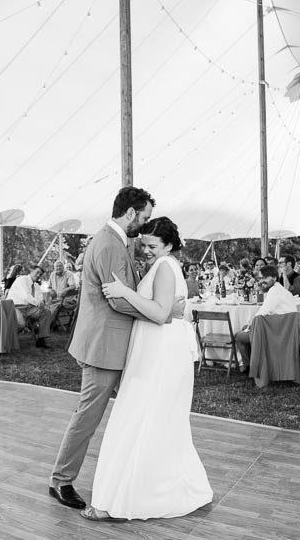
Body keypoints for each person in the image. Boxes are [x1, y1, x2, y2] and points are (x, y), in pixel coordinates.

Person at [50, 186, 180, 513]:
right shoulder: (109, 244)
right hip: (104, 346)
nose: (145, 225)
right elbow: (118, 298)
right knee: (88, 415)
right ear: (131, 213)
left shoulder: (115, 241)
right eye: (145, 217)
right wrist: (161, 313)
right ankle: (61, 480)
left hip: (116, 345)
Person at [77, 216, 212, 521]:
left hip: (161, 353)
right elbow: (167, 309)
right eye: (144, 244)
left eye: (152, 245)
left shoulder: (166, 266)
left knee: (141, 415)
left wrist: (125, 292)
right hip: (154, 349)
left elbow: (162, 313)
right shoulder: (162, 265)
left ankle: (123, 500)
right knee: (148, 417)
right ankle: (140, 491)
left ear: (168, 245)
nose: (146, 250)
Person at [235, 265, 298, 369]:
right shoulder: (283, 291)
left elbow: (262, 313)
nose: (261, 281)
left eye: (264, 278)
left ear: (274, 278)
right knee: (246, 328)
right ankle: (253, 362)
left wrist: (250, 326)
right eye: (260, 278)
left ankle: (250, 365)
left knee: (238, 335)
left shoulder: (274, 291)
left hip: (274, 333)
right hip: (287, 332)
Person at [7, 264, 53, 348]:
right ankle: (7, 338)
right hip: (16, 307)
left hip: (29, 308)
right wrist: (38, 303)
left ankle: (41, 339)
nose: (39, 275)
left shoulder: (36, 285)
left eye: (40, 274)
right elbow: (26, 295)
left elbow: (40, 298)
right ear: (31, 271)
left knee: (46, 311)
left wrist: (41, 302)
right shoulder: (22, 279)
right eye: (37, 272)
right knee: (21, 325)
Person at [47, 259, 78, 326]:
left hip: (67, 300)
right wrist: (51, 290)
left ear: (63, 267)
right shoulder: (52, 275)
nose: (58, 268)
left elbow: (73, 286)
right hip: (55, 299)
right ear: (54, 268)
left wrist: (65, 290)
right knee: (46, 306)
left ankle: (46, 326)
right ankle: (50, 324)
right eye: (56, 266)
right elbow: (49, 287)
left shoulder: (69, 274)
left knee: (54, 307)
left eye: (60, 266)